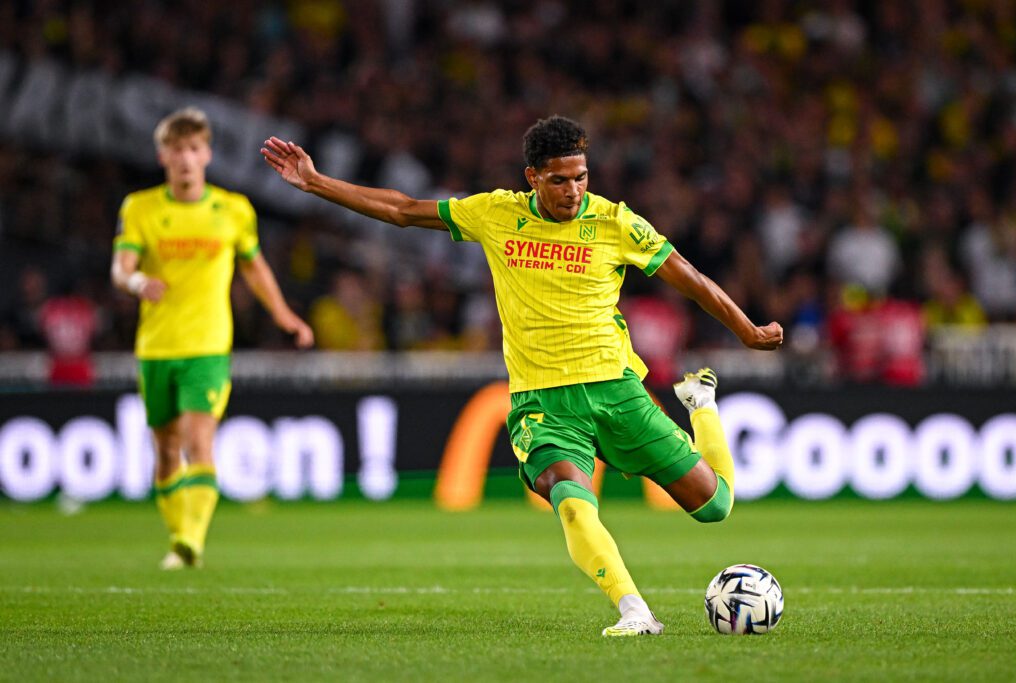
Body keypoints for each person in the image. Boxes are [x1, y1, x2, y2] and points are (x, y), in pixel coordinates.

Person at [261, 115, 783, 636]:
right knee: (572, 502)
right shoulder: (496, 213)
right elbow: (402, 209)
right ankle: (635, 611)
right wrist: (316, 182)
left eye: (581, 177)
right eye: (559, 180)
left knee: (715, 506)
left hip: (616, 390)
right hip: (543, 405)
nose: (573, 190)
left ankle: (702, 406)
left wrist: (748, 330)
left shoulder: (616, 222)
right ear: (532, 177)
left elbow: (689, 277)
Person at [112, 107, 314, 570]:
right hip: (156, 347)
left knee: (198, 441)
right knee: (166, 450)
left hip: (208, 346)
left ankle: (191, 539)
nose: (185, 158)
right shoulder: (139, 207)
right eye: (176, 150)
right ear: (163, 156)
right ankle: (178, 539)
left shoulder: (233, 210)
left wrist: (284, 315)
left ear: (207, 154)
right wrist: (138, 282)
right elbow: (120, 269)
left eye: (193, 149)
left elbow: (254, 268)